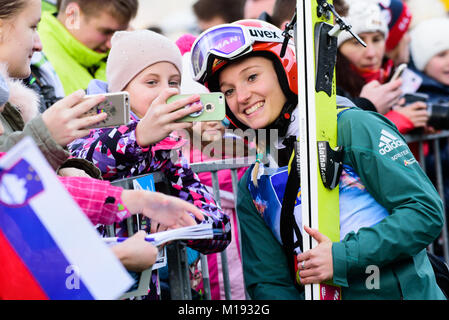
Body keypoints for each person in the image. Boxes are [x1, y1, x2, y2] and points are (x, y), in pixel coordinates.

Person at [190, 19, 445, 299]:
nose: (242, 97)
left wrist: (342, 256)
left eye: (252, 77)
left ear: (285, 71)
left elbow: (424, 212)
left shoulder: (352, 127)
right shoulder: (252, 184)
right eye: (228, 91)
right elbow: (269, 283)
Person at [69, 30, 231, 254]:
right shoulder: (84, 127)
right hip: (92, 280)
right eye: (152, 81)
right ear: (120, 91)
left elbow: (220, 229)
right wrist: (138, 137)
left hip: (147, 287)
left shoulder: (166, 149)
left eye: (174, 82)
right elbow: (82, 162)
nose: (167, 90)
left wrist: (184, 223)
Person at [0, 0, 110, 178]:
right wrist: (45, 135)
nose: (39, 45)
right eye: (32, 27)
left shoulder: (13, 102)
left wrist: (62, 169)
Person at [336, 0, 429, 136]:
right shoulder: (327, 88)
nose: (371, 53)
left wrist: (418, 129)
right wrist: (393, 123)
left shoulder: (400, 79)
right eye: (357, 42)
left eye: (377, 39)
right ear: (337, 49)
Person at [37, 0, 138, 96]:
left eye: (118, 33)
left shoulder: (120, 56)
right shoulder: (36, 58)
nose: (110, 44)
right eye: (106, 32)